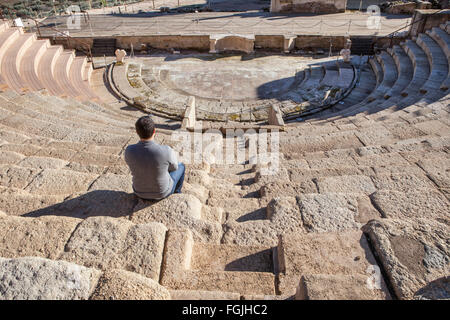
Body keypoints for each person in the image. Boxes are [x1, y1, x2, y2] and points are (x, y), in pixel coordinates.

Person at [124, 116, 185, 200]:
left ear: (137, 132)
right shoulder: (166, 150)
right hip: (162, 193)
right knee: (181, 166)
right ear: (154, 131)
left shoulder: (129, 150)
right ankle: (177, 192)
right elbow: (174, 168)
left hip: (138, 191)